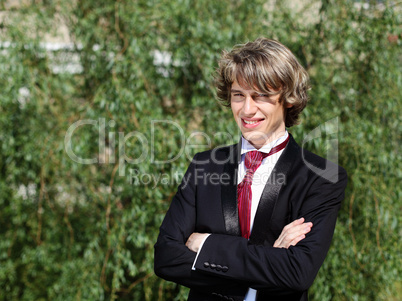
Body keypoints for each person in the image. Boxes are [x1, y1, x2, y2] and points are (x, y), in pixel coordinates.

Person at [154, 38, 347, 301]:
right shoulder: (204, 165)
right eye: (238, 95)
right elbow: (166, 257)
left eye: (261, 96)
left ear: (288, 99)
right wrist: (268, 264)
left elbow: (298, 272)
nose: (246, 109)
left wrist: (208, 246)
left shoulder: (321, 177)